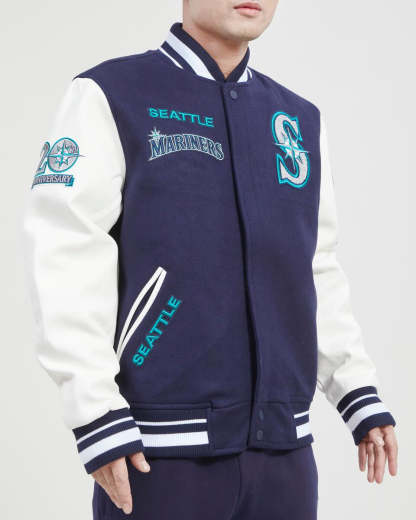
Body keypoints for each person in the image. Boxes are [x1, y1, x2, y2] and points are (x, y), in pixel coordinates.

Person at [23, 1, 398, 518]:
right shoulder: (111, 94)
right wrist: (94, 411)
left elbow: (314, 266)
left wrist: (356, 390)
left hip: (284, 454)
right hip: (156, 453)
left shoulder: (297, 120)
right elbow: (64, 249)